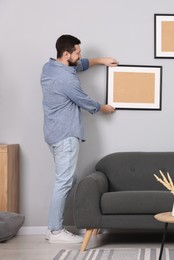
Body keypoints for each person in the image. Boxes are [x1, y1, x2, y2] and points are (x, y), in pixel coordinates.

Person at [40, 35, 118, 243]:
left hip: (53, 133)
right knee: (64, 182)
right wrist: (104, 107)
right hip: (66, 135)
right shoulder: (66, 78)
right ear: (66, 54)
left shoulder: (50, 68)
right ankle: (55, 230)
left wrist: (101, 61)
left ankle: (72, 225)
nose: (80, 56)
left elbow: (79, 65)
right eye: (77, 52)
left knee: (67, 180)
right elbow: (84, 100)